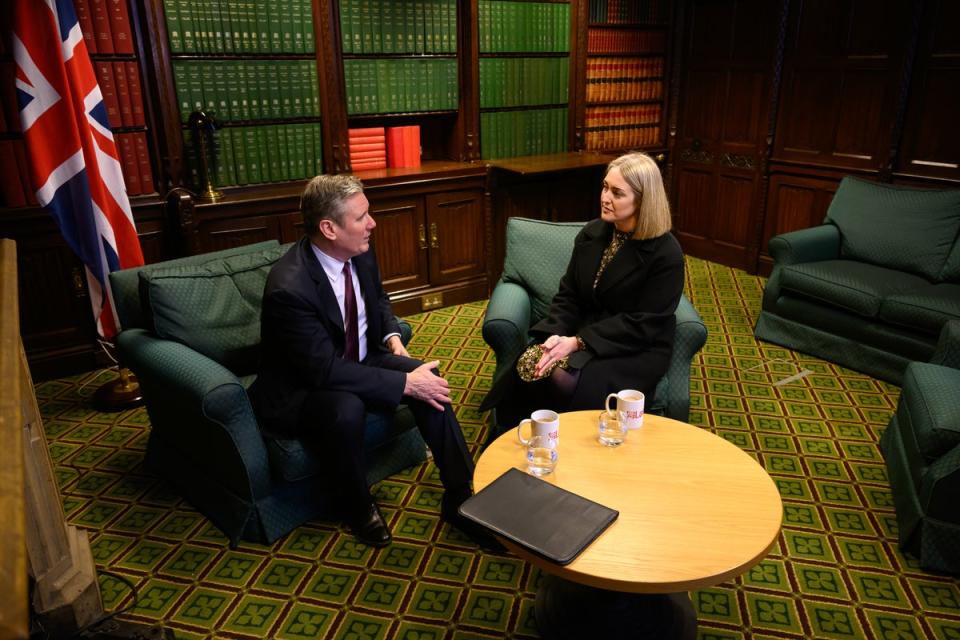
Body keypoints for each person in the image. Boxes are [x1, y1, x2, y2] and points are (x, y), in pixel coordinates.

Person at [249, 174, 496, 549]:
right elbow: (323, 370)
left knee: (427, 376)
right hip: (303, 387)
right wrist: (402, 385)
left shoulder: (358, 248)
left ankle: (460, 495)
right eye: (362, 217)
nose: (373, 224)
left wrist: (392, 337)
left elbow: (376, 298)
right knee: (346, 408)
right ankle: (357, 504)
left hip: (360, 359)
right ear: (329, 228)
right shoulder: (290, 287)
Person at [482, 152, 685, 428]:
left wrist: (577, 342)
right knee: (531, 364)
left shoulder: (666, 253)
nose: (605, 197)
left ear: (642, 200)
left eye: (617, 193)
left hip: (635, 348)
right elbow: (569, 295)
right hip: (584, 330)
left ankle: (568, 451)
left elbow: (644, 324)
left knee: (563, 377)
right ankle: (512, 448)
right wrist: (554, 336)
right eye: (604, 187)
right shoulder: (592, 233)